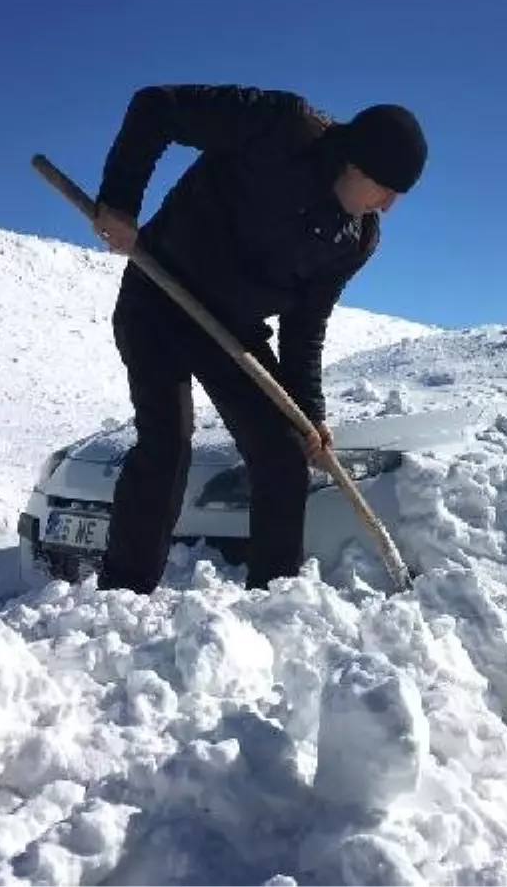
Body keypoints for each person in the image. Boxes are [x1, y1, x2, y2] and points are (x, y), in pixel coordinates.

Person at [89, 84, 427, 593]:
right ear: (357, 165)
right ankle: (124, 590)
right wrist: (119, 200)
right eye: (388, 189)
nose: (390, 206)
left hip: (233, 331)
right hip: (160, 292)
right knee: (167, 442)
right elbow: (157, 106)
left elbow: (306, 325)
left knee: (285, 455)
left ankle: (275, 599)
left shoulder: (356, 237)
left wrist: (308, 412)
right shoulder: (281, 127)